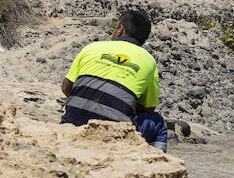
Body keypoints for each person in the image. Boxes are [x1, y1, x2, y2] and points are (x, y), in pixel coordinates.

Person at [61, 8, 167, 151]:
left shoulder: (92, 47)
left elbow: (66, 87)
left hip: (71, 123)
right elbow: (149, 108)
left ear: (120, 29)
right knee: (158, 123)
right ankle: (156, 161)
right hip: (114, 131)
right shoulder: (149, 61)